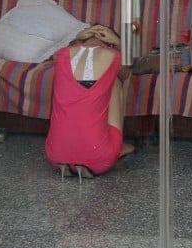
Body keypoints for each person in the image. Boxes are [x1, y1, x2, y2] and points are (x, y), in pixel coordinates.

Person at [44, 23, 134, 178]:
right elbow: (127, 74)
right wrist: (119, 44)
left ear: (82, 39)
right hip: (100, 157)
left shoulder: (61, 54)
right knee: (116, 82)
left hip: (55, 154)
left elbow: (50, 55)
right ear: (109, 43)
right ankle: (118, 145)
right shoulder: (114, 56)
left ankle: (69, 159)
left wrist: (77, 38)